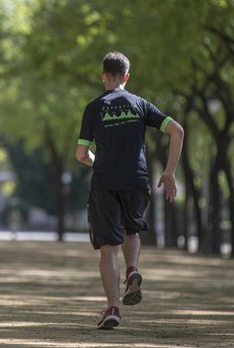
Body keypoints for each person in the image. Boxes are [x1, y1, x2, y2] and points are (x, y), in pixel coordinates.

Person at [75, 51, 184, 330]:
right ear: (126, 76)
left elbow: (81, 154)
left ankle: (113, 309)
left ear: (103, 76)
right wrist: (170, 172)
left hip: (105, 183)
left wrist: (96, 161)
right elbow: (177, 131)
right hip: (137, 180)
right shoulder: (140, 105)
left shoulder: (94, 108)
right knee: (131, 231)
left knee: (109, 249)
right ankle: (133, 269)